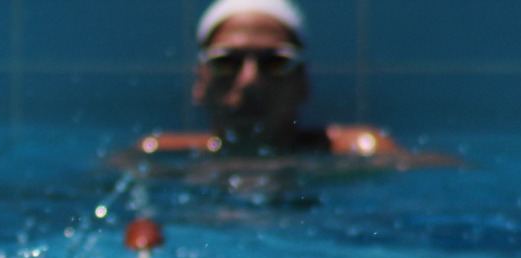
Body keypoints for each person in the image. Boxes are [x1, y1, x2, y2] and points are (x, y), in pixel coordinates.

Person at [122, 0, 430, 163]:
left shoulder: (366, 152)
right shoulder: (155, 157)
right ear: (199, 83)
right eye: (226, 62)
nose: (250, 81)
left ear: (303, 82)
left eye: (275, 63)